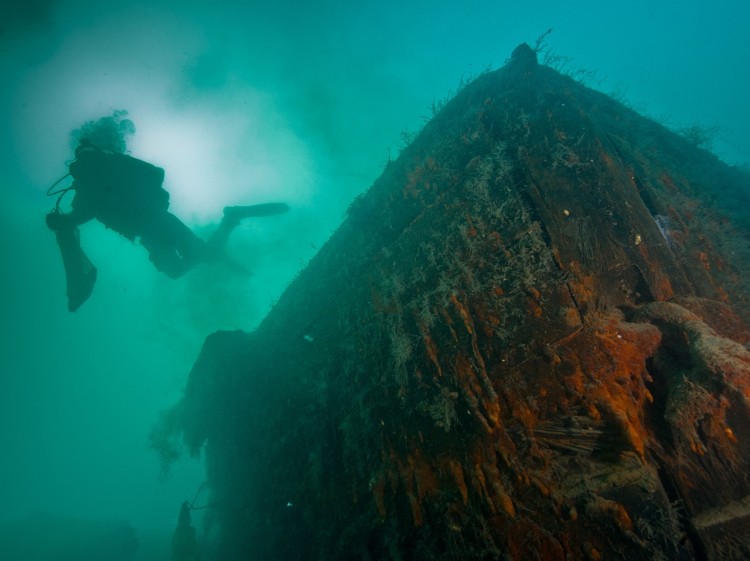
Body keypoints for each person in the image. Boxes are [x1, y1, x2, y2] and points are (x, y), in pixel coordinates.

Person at [46, 139, 289, 311]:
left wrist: (61, 221)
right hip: (155, 228)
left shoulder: (91, 188)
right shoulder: (103, 179)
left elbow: (77, 217)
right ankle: (229, 222)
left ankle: (230, 220)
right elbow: (156, 174)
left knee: (190, 264)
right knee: (184, 266)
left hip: (156, 226)